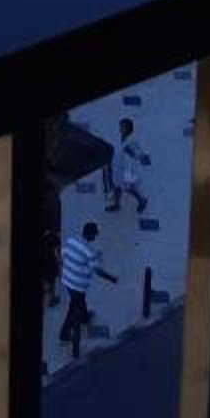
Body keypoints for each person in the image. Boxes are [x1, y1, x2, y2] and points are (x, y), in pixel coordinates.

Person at [58, 223, 103, 357]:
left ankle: (84, 317)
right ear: (90, 235)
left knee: (79, 300)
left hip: (67, 280)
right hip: (78, 284)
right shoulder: (89, 251)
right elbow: (94, 269)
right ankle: (64, 334)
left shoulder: (71, 241)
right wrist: (98, 257)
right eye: (94, 235)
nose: (95, 237)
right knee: (73, 308)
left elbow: (63, 255)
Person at [105, 116, 149, 214]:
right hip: (118, 167)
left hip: (127, 169)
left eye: (122, 126)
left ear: (128, 128)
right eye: (120, 126)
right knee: (117, 186)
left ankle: (142, 200)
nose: (120, 128)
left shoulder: (132, 140)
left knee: (128, 188)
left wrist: (131, 152)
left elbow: (138, 154)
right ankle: (117, 204)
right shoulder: (122, 139)